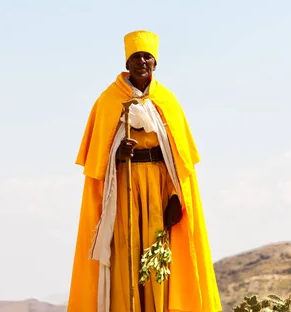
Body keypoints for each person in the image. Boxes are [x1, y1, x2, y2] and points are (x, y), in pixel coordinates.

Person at [67, 30, 222, 312]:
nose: (142, 62)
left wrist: (177, 196)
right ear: (127, 63)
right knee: (126, 247)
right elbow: (97, 158)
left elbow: (180, 157)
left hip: (160, 184)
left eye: (147, 57)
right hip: (124, 184)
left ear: (155, 64)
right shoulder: (109, 100)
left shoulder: (167, 100)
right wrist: (117, 152)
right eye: (136, 57)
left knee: (159, 251)